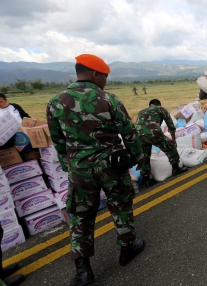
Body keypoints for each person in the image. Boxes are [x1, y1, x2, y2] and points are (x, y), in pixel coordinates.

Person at [46, 54, 146, 286]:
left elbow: (58, 140)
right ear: (94, 74)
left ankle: (83, 271)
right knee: (120, 204)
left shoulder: (55, 102)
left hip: (79, 169)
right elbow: (129, 132)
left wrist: (68, 165)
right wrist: (140, 158)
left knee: (81, 216)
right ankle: (126, 249)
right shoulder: (108, 99)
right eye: (105, 76)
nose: (106, 81)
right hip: (110, 164)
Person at [135, 99, 188, 187]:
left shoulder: (142, 111)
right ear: (158, 104)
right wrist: (173, 140)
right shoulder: (161, 109)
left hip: (138, 135)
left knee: (144, 156)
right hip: (153, 132)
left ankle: (147, 179)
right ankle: (176, 168)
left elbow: (138, 124)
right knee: (170, 147)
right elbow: (170, 125)